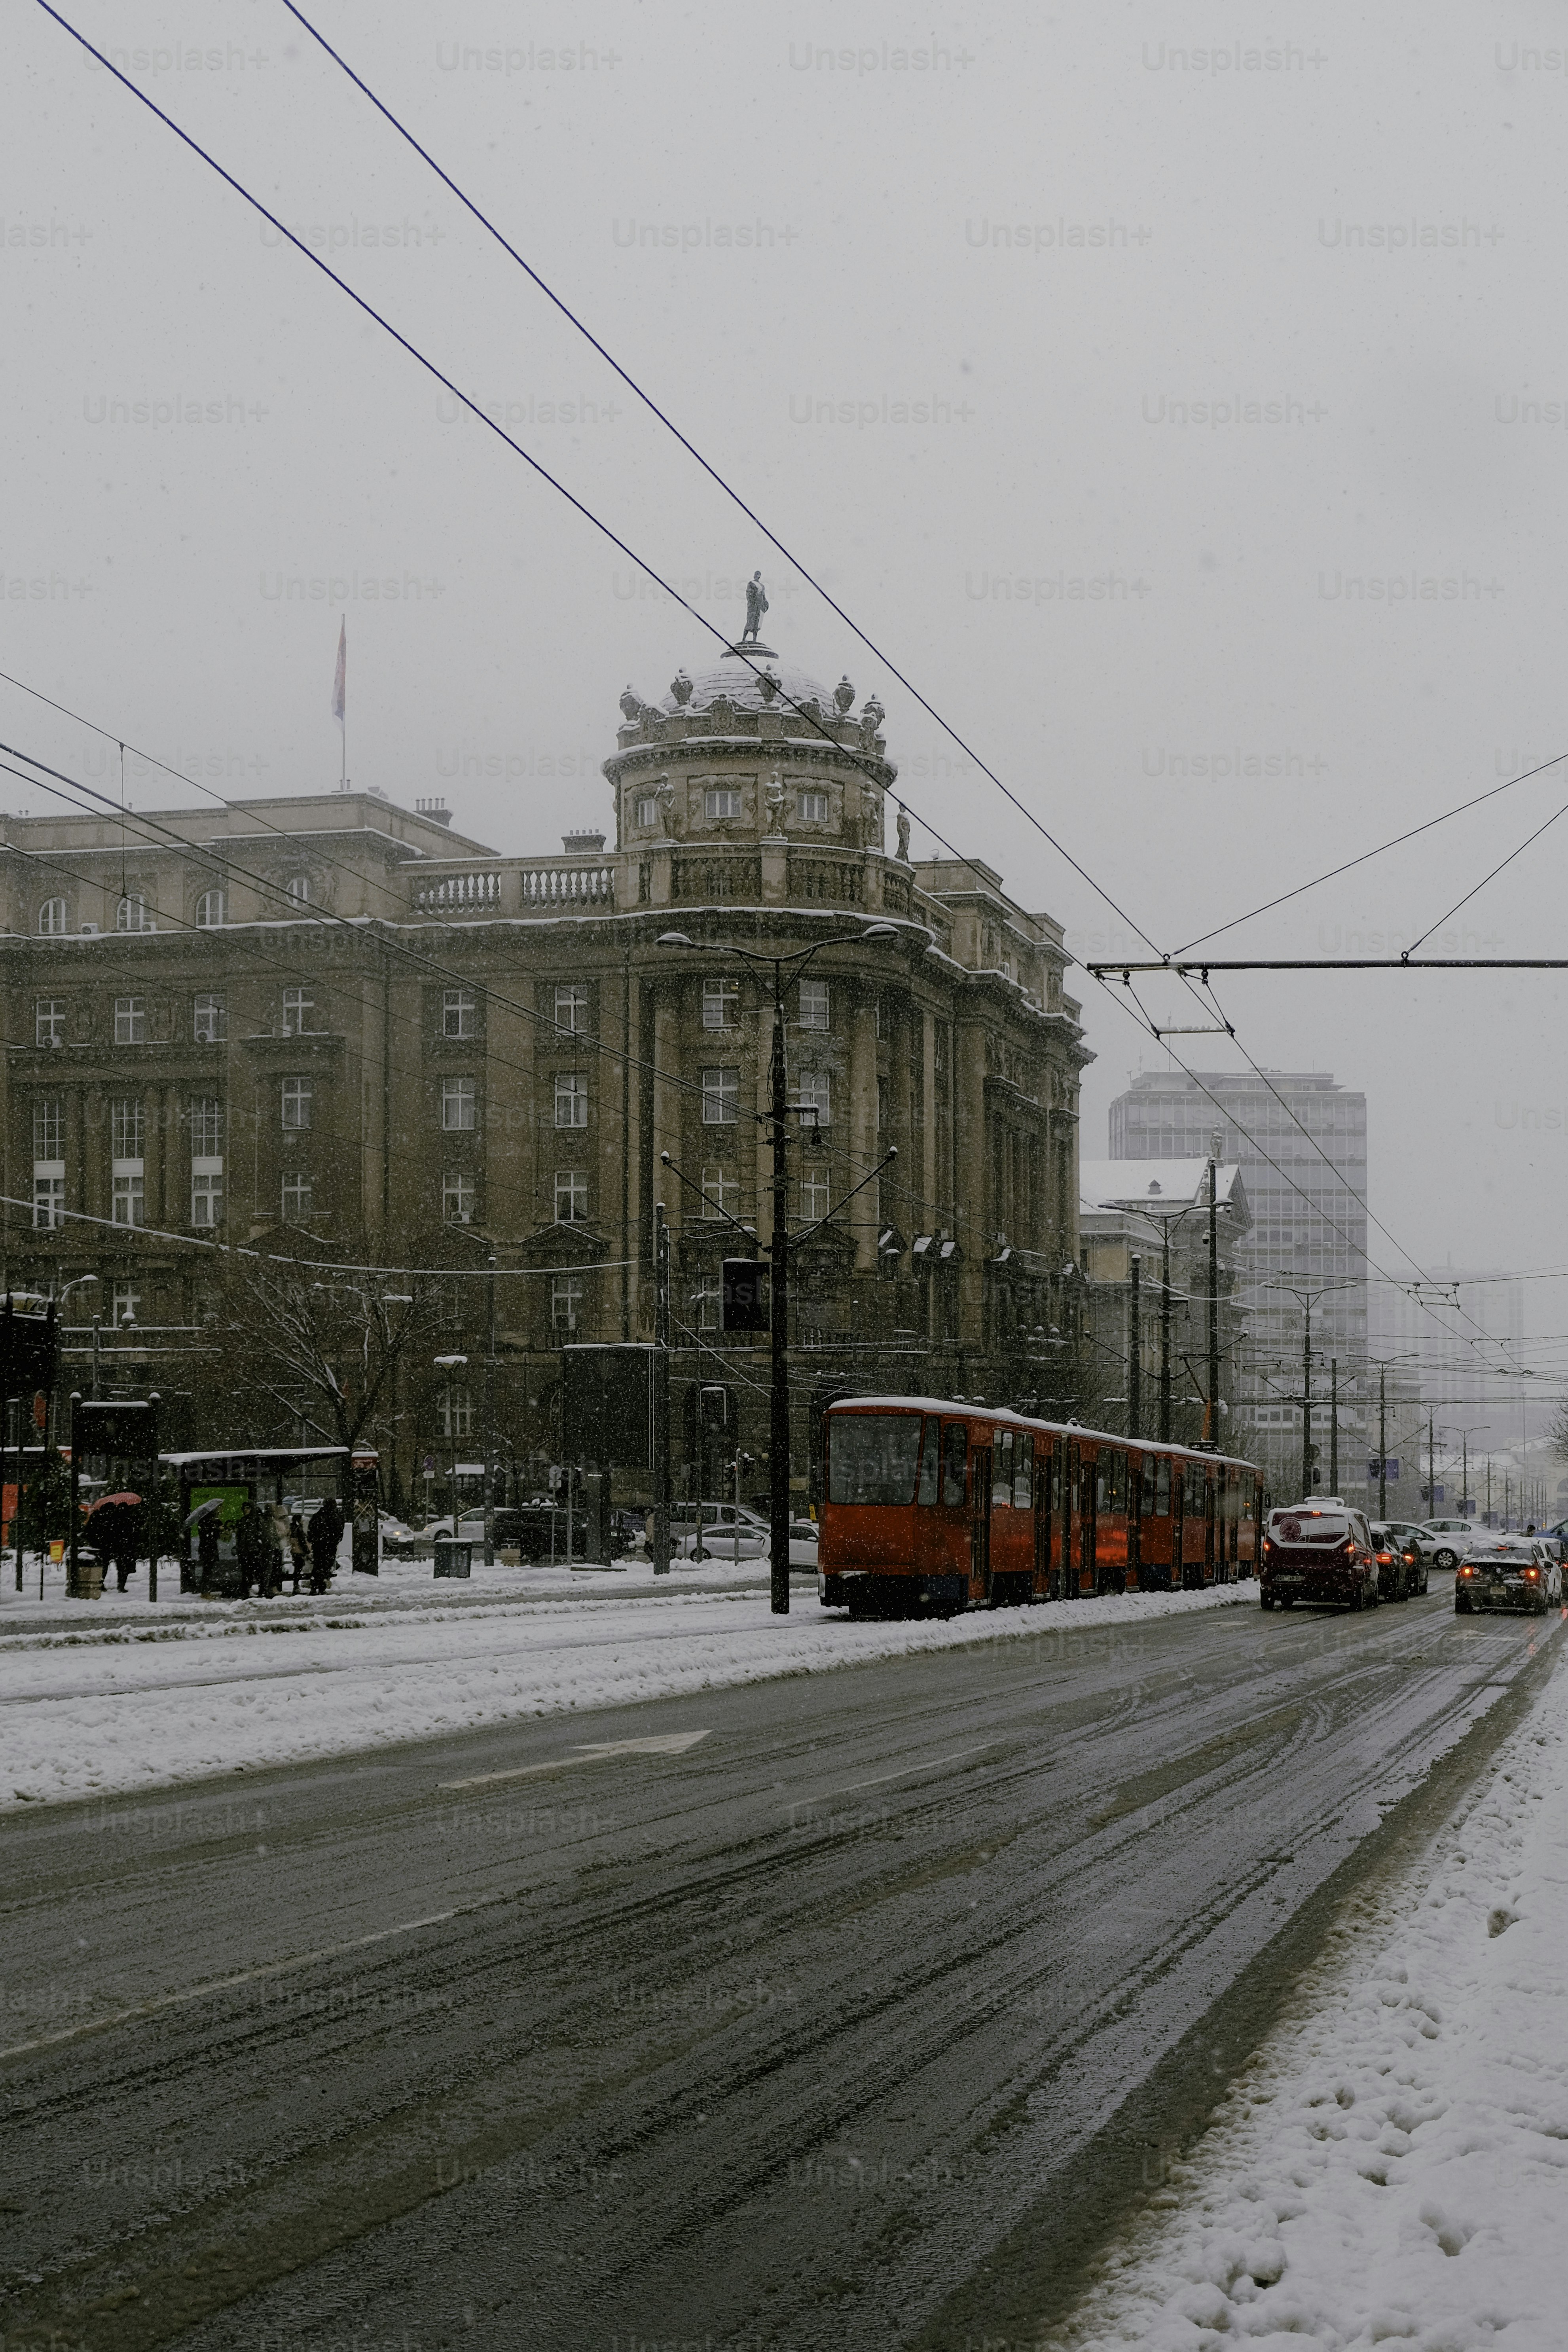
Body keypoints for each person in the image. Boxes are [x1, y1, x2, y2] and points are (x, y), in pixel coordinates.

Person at [307, 1496, 343, 1594]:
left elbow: (311, 1532)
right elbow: (340, 1532)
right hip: (330, 1546)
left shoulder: (317, 1516)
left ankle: (314, 1586)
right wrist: (334, 1541)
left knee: (318, 1566)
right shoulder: (335, 1517)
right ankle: (322, 1586)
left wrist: (314, 1540)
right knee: (326, 1566)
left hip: (318, 1546)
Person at [287, 1511, 308, 1593]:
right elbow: (302, 1541)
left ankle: (296, 1585)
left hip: (294, 1551)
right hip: (299, 1551)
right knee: (298, 1570)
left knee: (297, 1569)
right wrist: (307, 1551)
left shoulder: (292, 1528)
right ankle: (296, 1587)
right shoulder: (299, 1529)